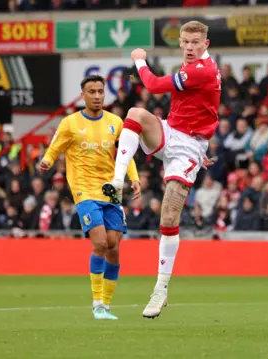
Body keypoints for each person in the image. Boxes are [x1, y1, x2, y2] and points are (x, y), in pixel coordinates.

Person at [103, 20, 221, 319]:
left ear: (206, 44)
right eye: (185, 41)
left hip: (189, 148)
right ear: (180, 43)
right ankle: (117, 181)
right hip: (172, 131)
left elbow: (153, 85)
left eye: (196, 42)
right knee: (135, 114)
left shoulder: (201, 70)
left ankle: (161, 288)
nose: (190, 47)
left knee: (168, 214)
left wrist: (139, 60)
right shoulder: (190, 64)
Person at [40, 75, 141, 320]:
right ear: (82, 95)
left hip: (112, 190)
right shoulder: (70, 123)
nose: (97, 96)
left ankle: (106, 305)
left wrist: (134, 177)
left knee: (114, 249)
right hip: (84, 190)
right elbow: (55, 147)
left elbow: (125, 153)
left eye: (100, 91)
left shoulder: (115, 122)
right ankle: (96, 303)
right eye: (92, 92)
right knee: (100, 244)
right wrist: (47, 160)